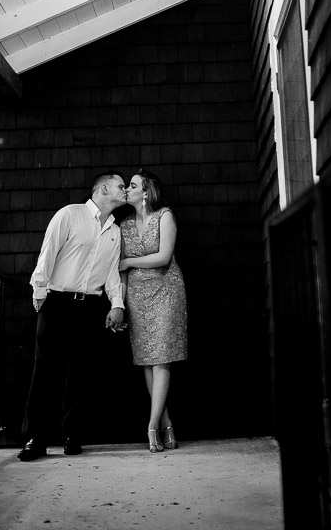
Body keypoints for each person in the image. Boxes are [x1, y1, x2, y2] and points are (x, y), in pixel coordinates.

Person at [17, 171, 127, 462]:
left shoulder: (114, 231)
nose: (125, 188)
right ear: (103, 189)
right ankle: (36, 439)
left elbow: (113, 272)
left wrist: (117, 304)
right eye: (120, 185)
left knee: (81, 373)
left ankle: (72, 435)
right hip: (57, 303)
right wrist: (40, 291)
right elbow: (48, 252)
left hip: (91, 307)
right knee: (46, 372)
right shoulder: (70, 215)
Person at [119, 168, 188, 453]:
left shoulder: (165, 216)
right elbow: (120, 271)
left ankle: (150, 427)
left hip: (167, 291)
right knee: (148, 360)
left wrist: (131, 262)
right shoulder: (123, 225)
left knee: (162, 359)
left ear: (145, 192)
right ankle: (166, 424)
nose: (127, 190)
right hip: (137, 296)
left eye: (132, 186)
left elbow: (163, 257)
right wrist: (119, 304)